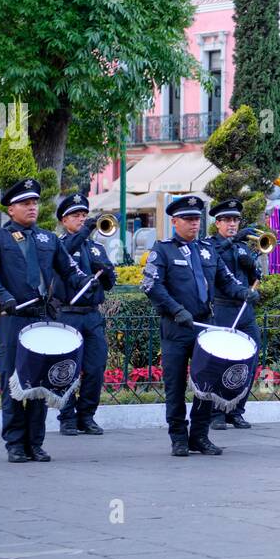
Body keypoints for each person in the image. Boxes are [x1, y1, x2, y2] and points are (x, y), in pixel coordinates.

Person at [0, 178, 89, 464]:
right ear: (10, 209)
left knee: (40, 383)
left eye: (35, 202)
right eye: (25, 203)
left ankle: (35, 443)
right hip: (13, 318)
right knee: (13, 382)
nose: (32, 207)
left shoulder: (48, 238)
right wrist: (2, 296)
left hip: (41, 318)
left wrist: (87, 282)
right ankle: (15, 444)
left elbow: (68, 270)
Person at [143, 195, 256, 457]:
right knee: (175, 385)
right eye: (188, 219)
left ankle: (200, 435)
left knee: (208, 382)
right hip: (176, 326)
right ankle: (178, 438)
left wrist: (243, 293)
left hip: (206, 326)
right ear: (175, 222)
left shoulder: (207, 249)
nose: (194, 224)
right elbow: (151, 285)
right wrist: (175, 309)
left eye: (196, 219)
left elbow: (225, 280)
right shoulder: (163, 250)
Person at [53, 194, 116, 437]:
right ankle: (67, 417)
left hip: (91, 315)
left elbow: (108, 284)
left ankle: (86, 415)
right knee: (66, 368)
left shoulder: (97, 248)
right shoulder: (59, 245)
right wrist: (82, 233)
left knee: (96, 367)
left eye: (84, 216)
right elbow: (61, 259)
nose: (82, 220)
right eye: (76, 216)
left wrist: (107, 274)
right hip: (67, 313)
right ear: (64, 220)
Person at [207, 199, 261, 432]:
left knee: (249, 360)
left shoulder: (242, 246)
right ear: (217, 223)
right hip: (223, 309)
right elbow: (213, 263)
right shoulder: (211, 245)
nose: (232, 224)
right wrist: (233, 243)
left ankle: (236, 411)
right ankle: (216, 412)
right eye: (227, 220)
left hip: (245, 310)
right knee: (221, 361)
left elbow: (254, 278)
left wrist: (251, 266)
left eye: (235, 220)